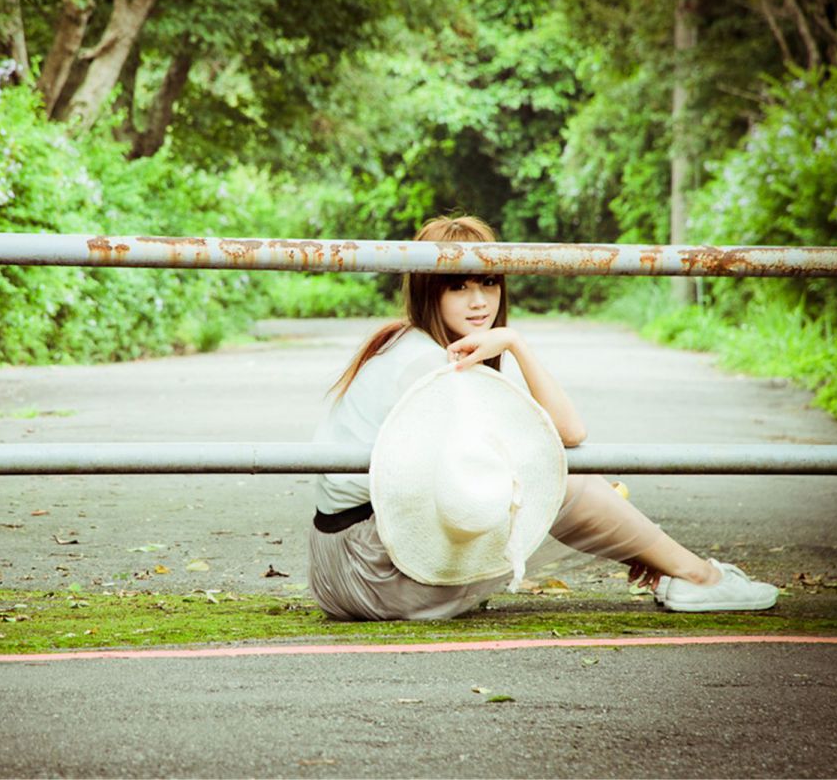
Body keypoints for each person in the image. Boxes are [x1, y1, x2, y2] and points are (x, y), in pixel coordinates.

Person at [308, 214, 780, 621]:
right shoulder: (431, 365)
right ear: (428, 291)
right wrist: (516, 343)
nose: (479, 302)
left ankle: (677, 571)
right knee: (566, 482)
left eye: (488, 282)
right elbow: (569, 436)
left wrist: (514, 343)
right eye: (458, 286)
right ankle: (695, 575)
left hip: (344, 568)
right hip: (374, 570)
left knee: (567, 480)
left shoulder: (414, 344)